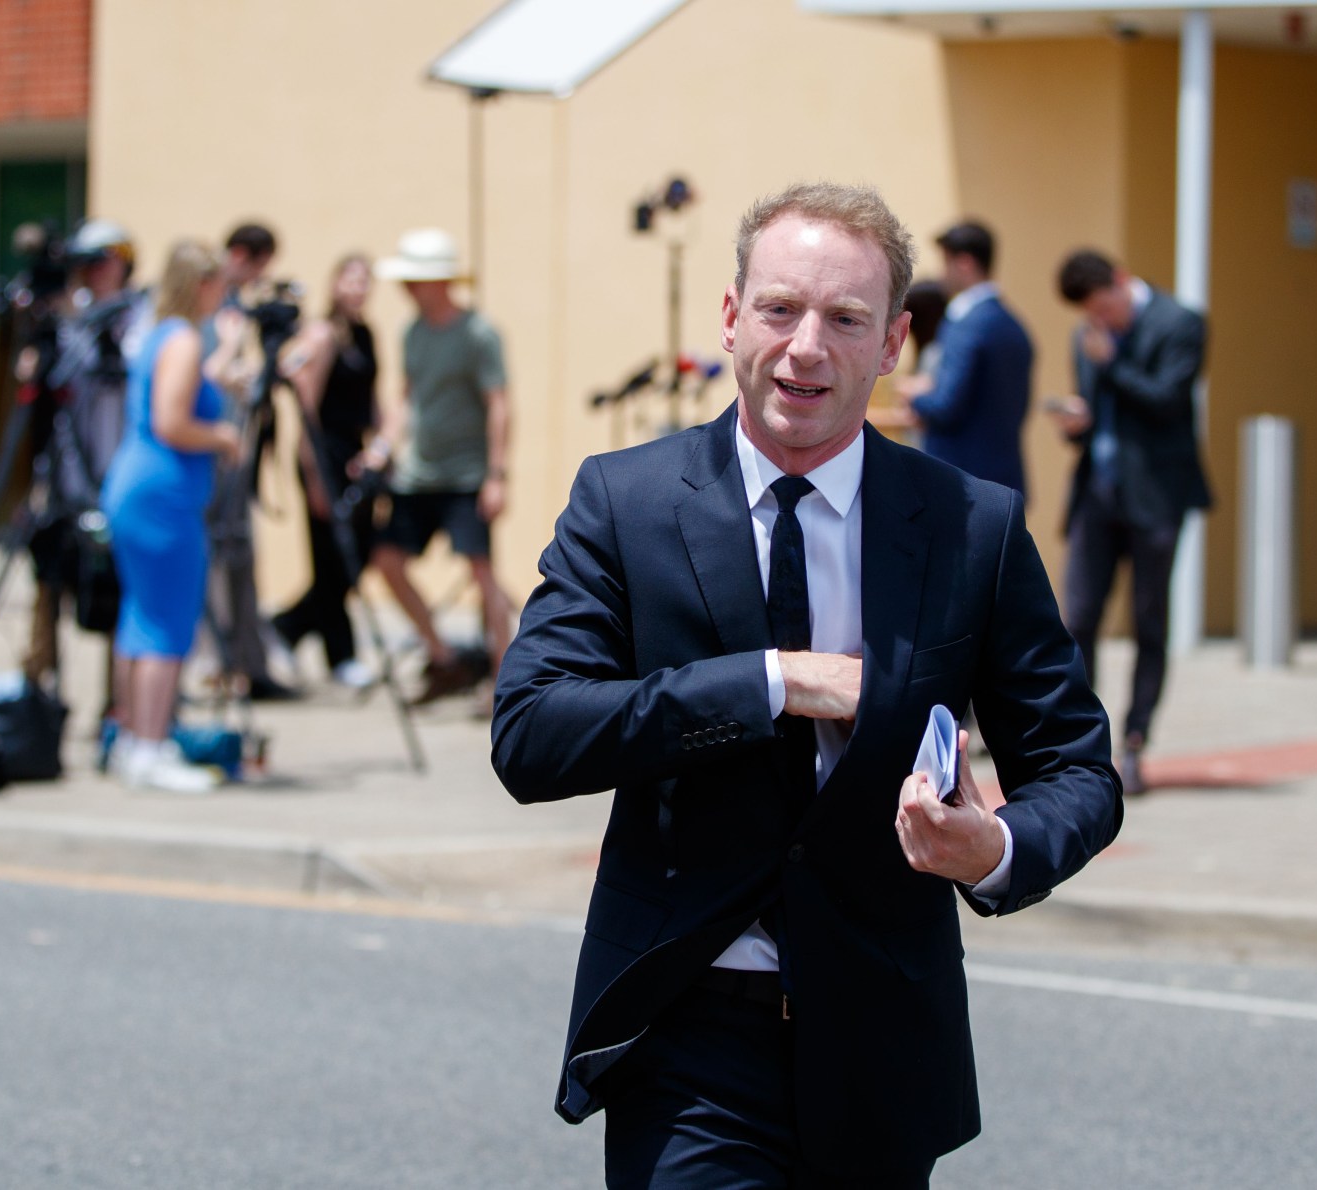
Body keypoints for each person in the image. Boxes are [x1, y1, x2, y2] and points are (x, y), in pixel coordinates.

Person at [491, 182, 1121, 1186]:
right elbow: (530, 732)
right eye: (781, 308)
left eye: (846, 318)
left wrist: (992, 845)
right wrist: (772, 681)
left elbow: (1080, 769)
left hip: (881, 1039)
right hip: (687, 1036)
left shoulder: (973, 526)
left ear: (895, 342)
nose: (806, 347)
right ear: (733, 314)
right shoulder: (626, 501)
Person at [1047, 248, 1212, 795]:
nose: (1101, 320)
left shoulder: (1179, 322)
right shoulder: (1088, 336)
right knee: (1079, 620)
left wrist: (1112, 362)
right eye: (1090, 314)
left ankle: (1136, 742)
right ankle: (1081, 746)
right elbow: (1100, 413)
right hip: (1097, 492)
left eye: (1104, 307)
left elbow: (1167, 400)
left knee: (1148, 622)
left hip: (1156, 497)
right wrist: (1076, 424)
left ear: (1121, 281)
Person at [100, 240, 241, 794]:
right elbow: (171, 421)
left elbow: (190, 385)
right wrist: (224, 435)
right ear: (201, 284)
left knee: (139, 619)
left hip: (136, 490)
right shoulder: (182, 338)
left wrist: (225, 357)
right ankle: (154, 747)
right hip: (164, 498)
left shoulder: (164, 335)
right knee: (167, 624)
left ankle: (133, 741)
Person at [372, 228, 514, 706]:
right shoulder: (411, 332)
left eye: (416, 279)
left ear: (440, 281)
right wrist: (382, 446)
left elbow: (499, 403)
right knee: (387, 562)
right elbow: (407, 398)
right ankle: (443, 656)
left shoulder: (478, 334)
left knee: (481, 573)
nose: (408, 288)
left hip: (466, 476)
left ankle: (504, 679)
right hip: (417, 474)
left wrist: (496, 475)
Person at [22, 218, 145, 687]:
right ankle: (39, 697)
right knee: (48, 586)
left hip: (117, 481)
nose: (93, 273)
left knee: (116, 599)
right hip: (64, 479)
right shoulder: (65, 324)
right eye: (85, 264)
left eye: (102, 262)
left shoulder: (138, 321)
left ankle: (117, 706)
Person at [271, 253, 382, 691]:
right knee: (332, 557)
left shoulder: (365, 334)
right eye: (350, 279)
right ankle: (341, 654)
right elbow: (307, 412)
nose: (357, 288)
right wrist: (315, 476)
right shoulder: (321, 335)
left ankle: (287, 625)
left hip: (356, 456)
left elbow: (370, 400)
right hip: (324, 457)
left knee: (357, 556)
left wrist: (379, 448)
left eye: (365, 280)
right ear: (335, 283)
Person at [200, 221, 299, 701]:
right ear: (243, 255)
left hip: (228, 446)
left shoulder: (231, 304)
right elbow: (213, 371)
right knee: (217, 558)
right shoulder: (215, 302)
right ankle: (223, 663)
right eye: (260, 265)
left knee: (238, 556)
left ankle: (246, 664)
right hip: (210, 449)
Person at [897, 220, 1034, 498]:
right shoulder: (1015, 326)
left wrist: (914, 394)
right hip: (1004, 480)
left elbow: (945, 406)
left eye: (945, 263)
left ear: (964, 264)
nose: (941, 274)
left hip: (961, 483)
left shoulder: (965, 323)